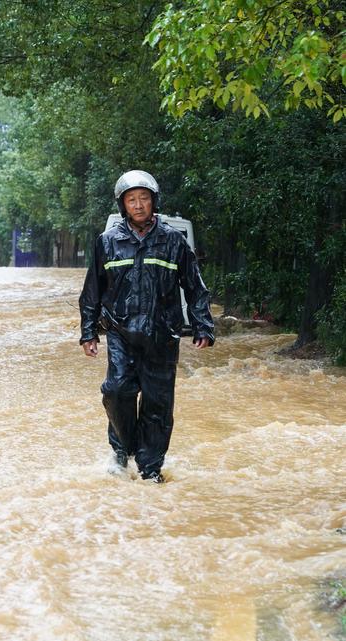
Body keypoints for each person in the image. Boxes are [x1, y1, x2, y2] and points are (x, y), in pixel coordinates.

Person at [78, 170, 214, 483]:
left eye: (144, 198)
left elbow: (195, 287)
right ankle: (123, 449)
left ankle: (150, 468)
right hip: (120, 333)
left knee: (157, 404)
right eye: (131, 200)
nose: (138, 205)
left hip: (162, 335)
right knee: (116, 390)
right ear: (122, 205)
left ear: (153, 202)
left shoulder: (174, 241)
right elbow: (92, 292)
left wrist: (203, 325)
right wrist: (88, 332)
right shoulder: (108, 242)